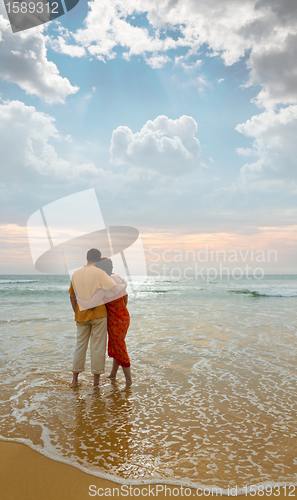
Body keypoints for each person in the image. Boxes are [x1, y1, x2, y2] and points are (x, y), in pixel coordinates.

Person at [69, 248, 127, 387]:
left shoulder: (76, 273)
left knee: (79, 346)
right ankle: (96, 382)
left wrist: (76, 313)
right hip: (99, 315)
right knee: (97, 348)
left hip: (81, 315)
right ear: (99, 259)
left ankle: (75, 380)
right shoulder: (100, 273)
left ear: (86, 258)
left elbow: (72, 296)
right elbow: (115, 289)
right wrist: (124, 284)